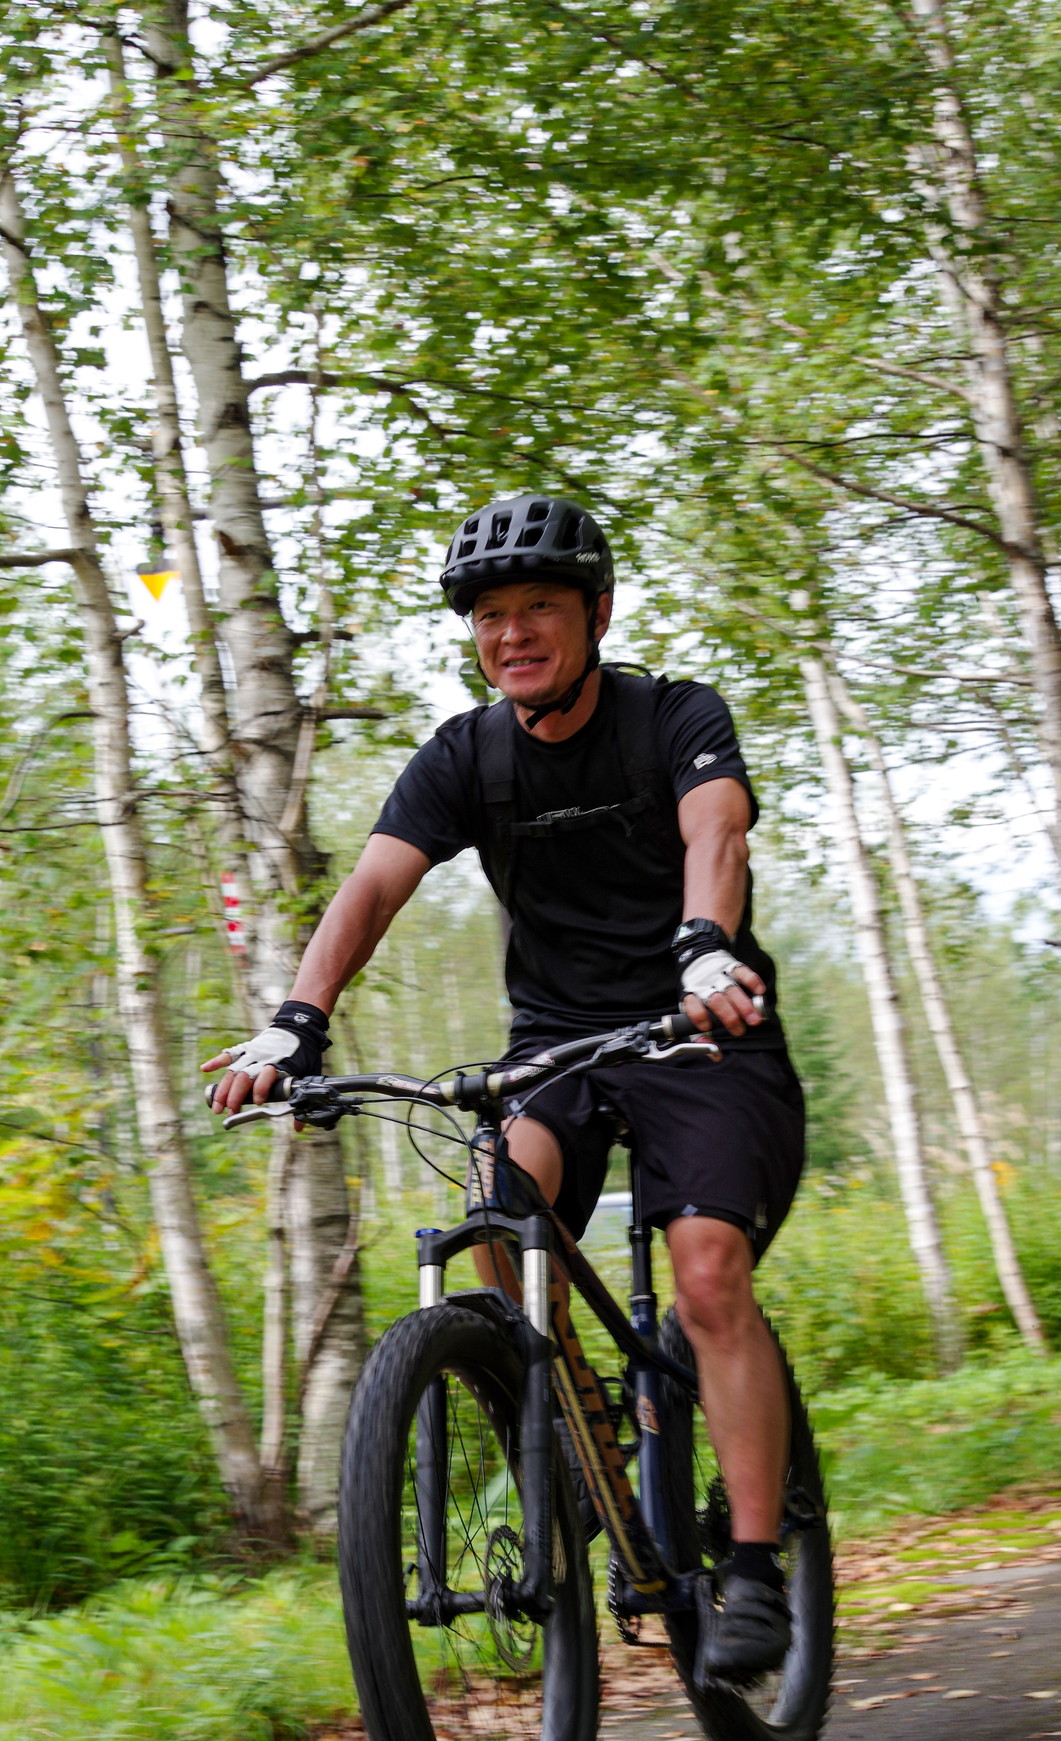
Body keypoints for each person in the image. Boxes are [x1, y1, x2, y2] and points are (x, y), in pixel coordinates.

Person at [203, 495, 806, 1679]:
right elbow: (371, 889)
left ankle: (749, 1564)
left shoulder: (671, 716)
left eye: (539, 605)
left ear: (597, 611)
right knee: (495, 1206)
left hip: (699, 1028)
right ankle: (580, 1437)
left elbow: (715, 834)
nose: (512, 631)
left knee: (704, 1268)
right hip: (559, 1045)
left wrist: (701, 942)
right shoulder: (465, 756)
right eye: (490, 613)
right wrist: (295, 1020)